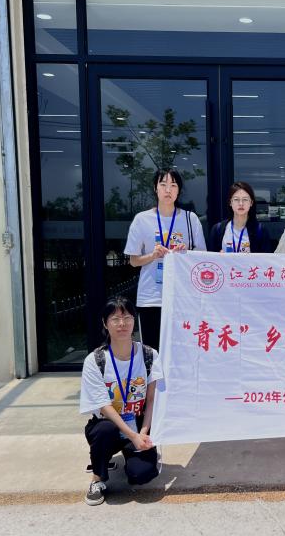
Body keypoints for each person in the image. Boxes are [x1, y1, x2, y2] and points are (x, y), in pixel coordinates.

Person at [79, 296, 161, 506]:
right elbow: (104, 407)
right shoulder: (95, 360)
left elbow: (151, 399)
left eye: (127, 318)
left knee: (141, 475)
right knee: (104, 431)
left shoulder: (149, 355)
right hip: (109, 424)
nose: (122, 324)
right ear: (105, 323)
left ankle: (134, 456)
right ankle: (97, 478)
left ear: (134, 320)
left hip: (138, 422)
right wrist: (133, 436)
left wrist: (143, 433)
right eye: (115, 319)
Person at [124, 168, 206, 350]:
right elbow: (133, 261)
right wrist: (153, 255)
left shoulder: (190, 219)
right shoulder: (142, 219)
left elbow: (202, 259)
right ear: (155, 188)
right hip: (151, 298)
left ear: (179, 190)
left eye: (173, 185)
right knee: (152, 353)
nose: (168, 190)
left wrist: (186, 253)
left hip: (182, 296)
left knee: (183, 351)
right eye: (163, 184)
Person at [208, 181, 271, 253]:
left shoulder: (260, 230)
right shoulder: (217, 230)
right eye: (236, 199)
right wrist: (219, 256)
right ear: (230, 202)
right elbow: (210, 258)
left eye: (245, 199)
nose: (241, 203)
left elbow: (266, 258)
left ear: (251, 203)